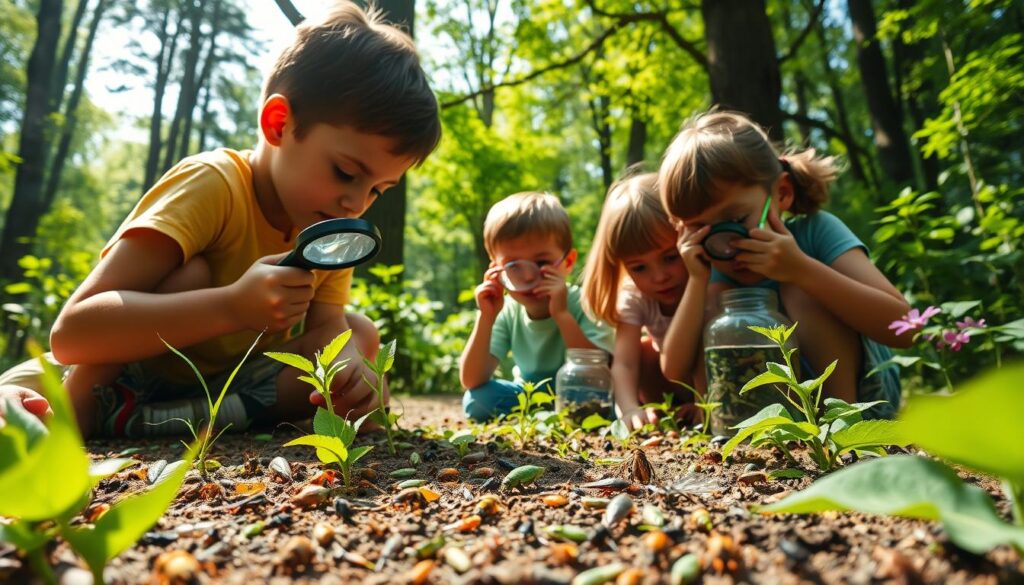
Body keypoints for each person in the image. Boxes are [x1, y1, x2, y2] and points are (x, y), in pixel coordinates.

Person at [0, 1, 441, 436]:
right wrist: (233, 306)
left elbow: (327, 326)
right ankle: (78, 412)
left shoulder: (330, 227)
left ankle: (168, 420)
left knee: (356, 335)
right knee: (191, 275)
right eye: (345, 173)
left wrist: (353, 381)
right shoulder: (214, 185)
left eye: (377, 191)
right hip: (109, 370)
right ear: (278, 123)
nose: (356, 204)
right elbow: (73, 334)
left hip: (212, 385)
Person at [658, 110, 910, 418]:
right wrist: (697, 281)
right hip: (776, 418)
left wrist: (801, 269)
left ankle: (842, 430)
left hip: (865, 399)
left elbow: (907, 328)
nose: (726, 244)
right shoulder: (706, 263)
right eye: (702, 229)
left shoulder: (817, 231)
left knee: (798, 290)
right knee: (717, 308)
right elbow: (673, 369)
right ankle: (724, 422)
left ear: (782, 193)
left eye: (737, 221)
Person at [459, 192, 615, 421]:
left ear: (568, 263)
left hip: (580, 395)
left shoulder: (585, 302)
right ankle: (544, 417)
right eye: (514, 266)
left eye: (541, 263)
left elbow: (599, 370)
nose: (528, 276)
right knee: (477, 399)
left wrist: (561, 314)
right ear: (497, 271)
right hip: (529, 396)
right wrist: (486, 317)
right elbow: (472, 380)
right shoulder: (508, 311)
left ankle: (555, 417)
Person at [581, 172, 698, 430]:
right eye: (639, 268)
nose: (659, 277)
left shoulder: (704, 281)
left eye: (670, 257)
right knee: (644, 350)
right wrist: (629, 409)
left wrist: (705, 401)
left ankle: (703, 408)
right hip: (669, 385)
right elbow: (625, 362)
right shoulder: (635, 296)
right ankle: (664, 414)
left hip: (712, 379)